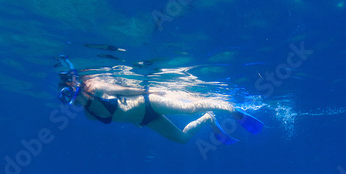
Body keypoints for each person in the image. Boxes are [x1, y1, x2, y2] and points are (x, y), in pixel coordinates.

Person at [55, 56, 262, 144]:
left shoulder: (98, 88)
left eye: (69, 92)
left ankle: (232, 110)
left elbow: (126, 90)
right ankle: (208, 118)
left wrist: (152, 90)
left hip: (148, 102)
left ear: (76, 86)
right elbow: (118, 117)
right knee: (182, 140)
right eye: (65, 97)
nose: (71, 100)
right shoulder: (89, 116)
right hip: (147, 120)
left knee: (189, 108)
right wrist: (134, 120)